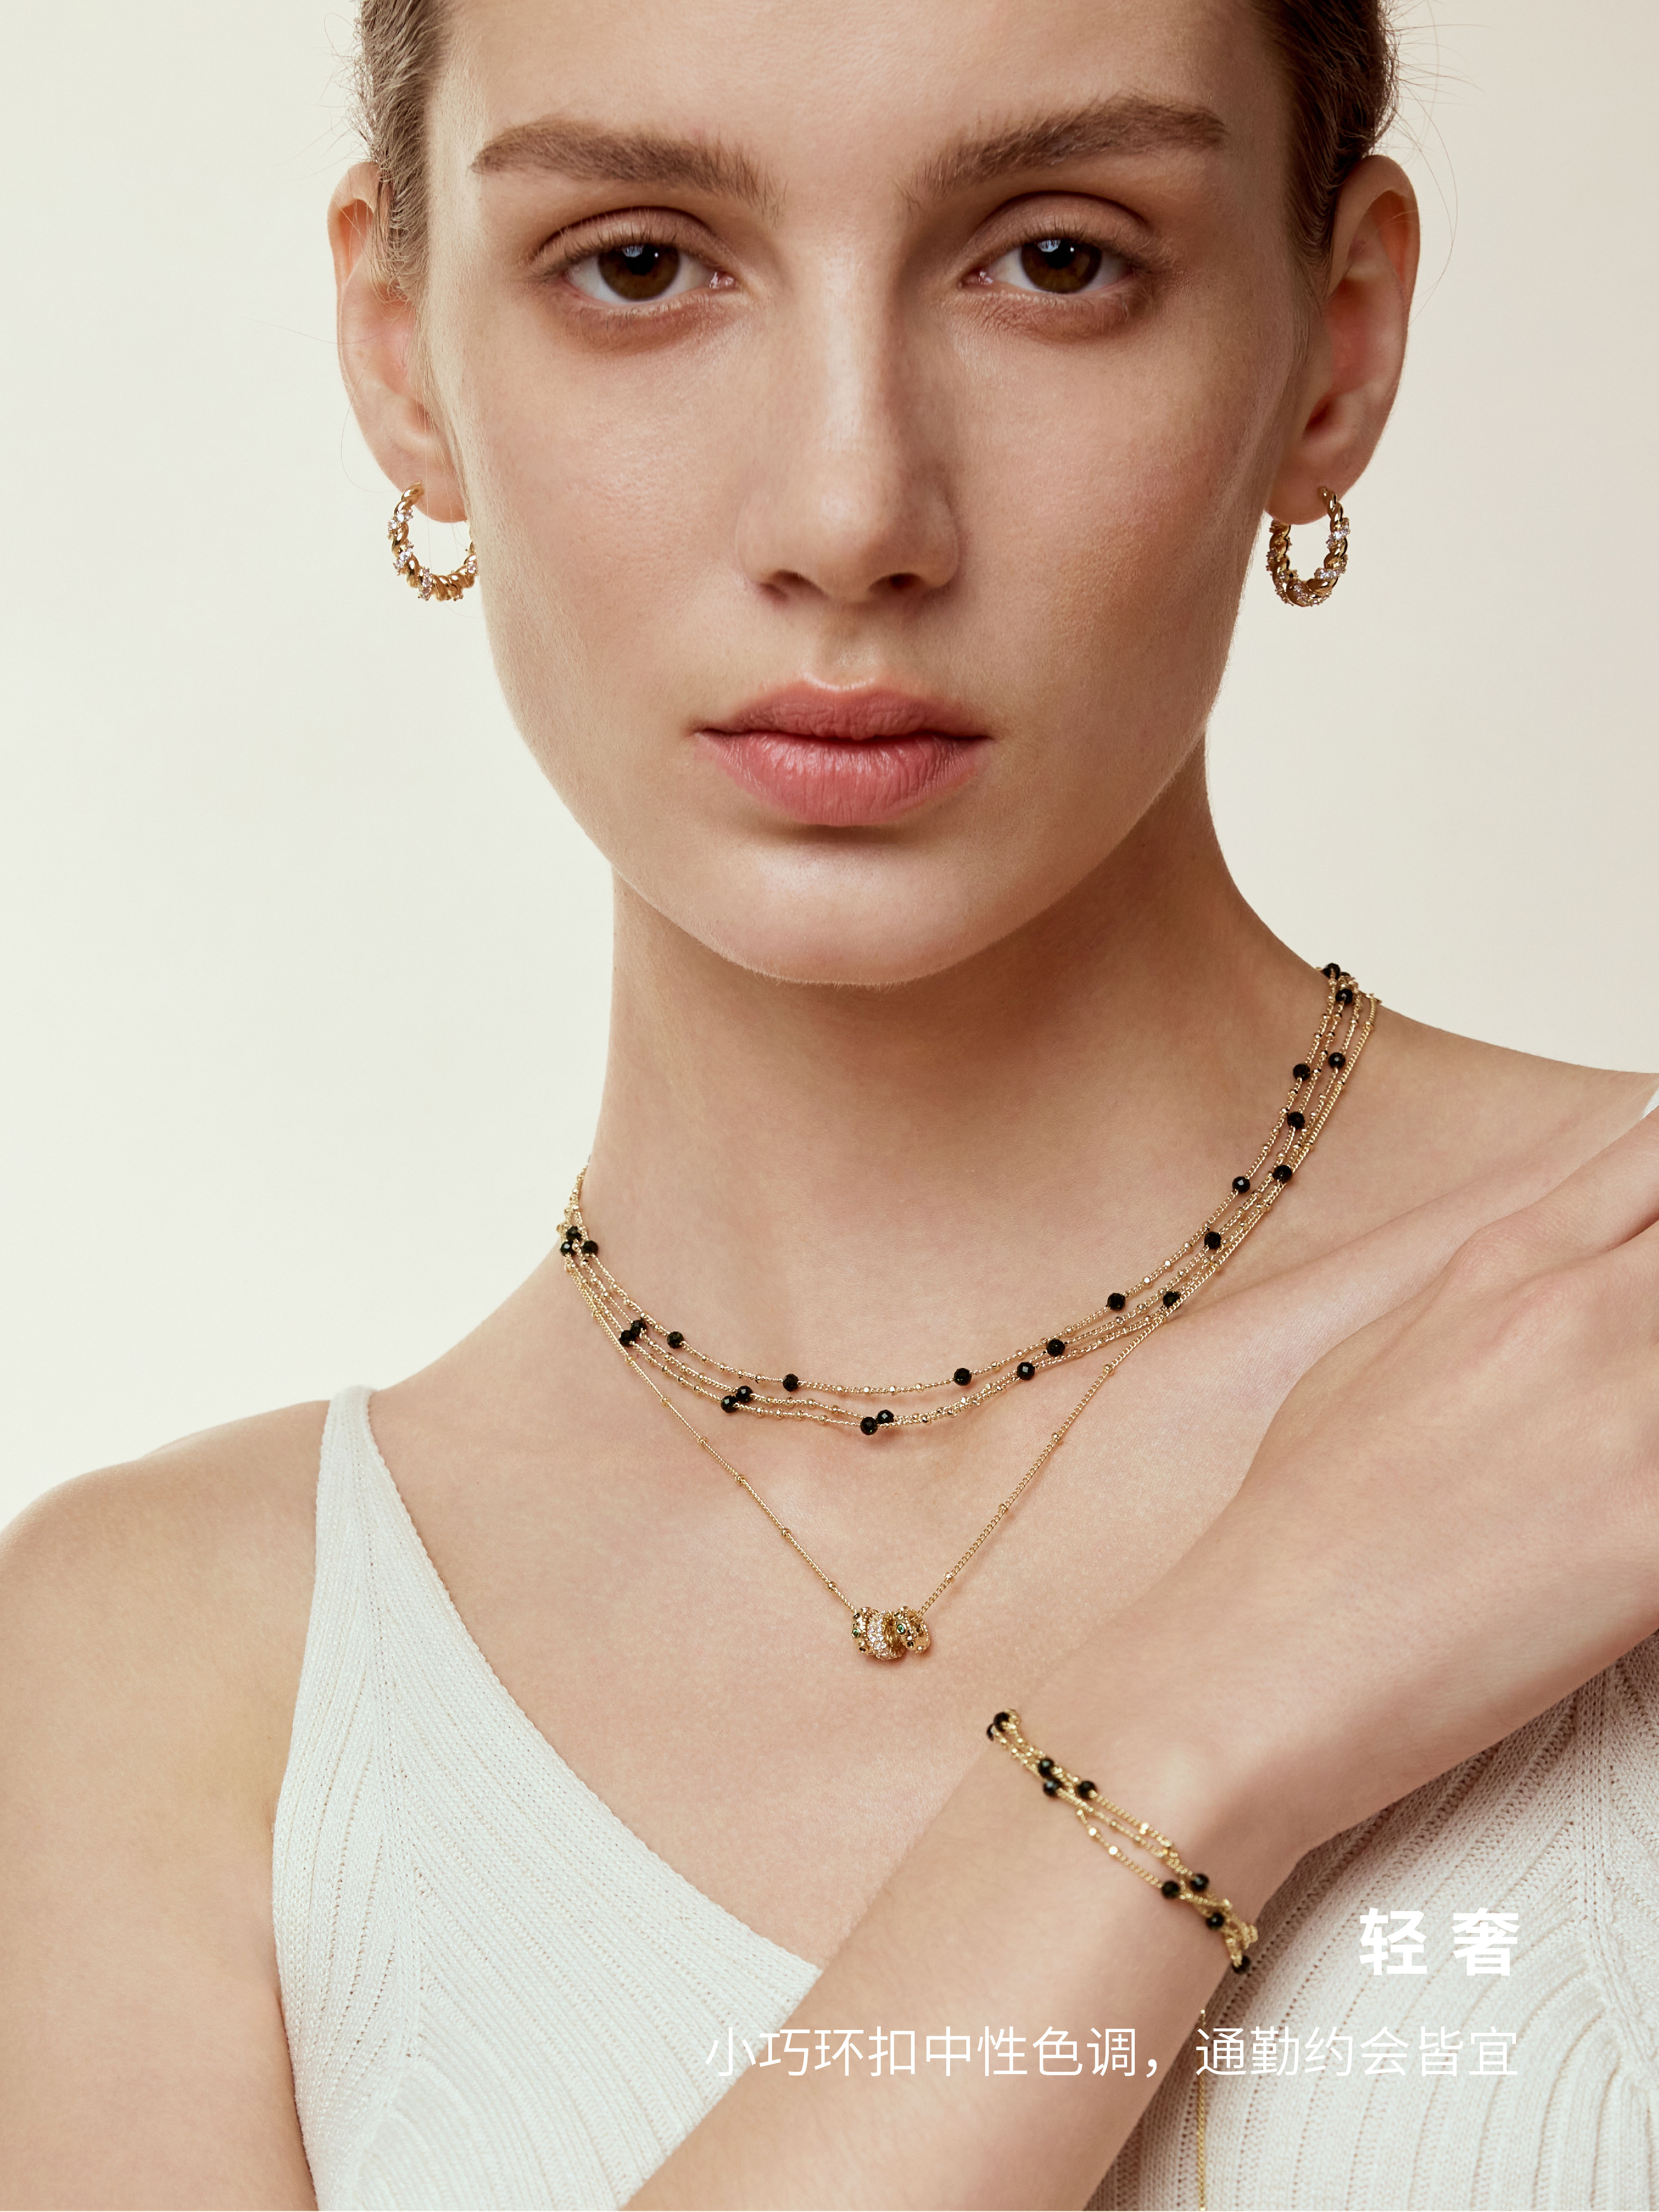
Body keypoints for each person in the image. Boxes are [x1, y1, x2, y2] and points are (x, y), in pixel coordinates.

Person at [3, 1, 1658, 2207]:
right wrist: (1202, 1709)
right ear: (403, 356)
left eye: (1057, 259)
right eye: (638, 264)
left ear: (1334, 347)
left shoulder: (1619, 1340)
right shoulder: (168, 1679)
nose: (850, 514)